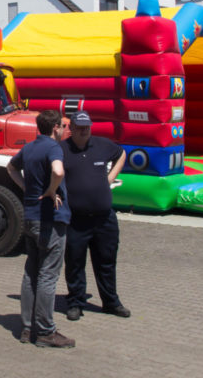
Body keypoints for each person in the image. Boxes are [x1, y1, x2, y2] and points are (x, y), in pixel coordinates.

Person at [6, 110, 75, 348]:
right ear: (55, 127)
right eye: (64, 126)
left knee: (31, 273)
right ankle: (46, 331)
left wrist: (27, 188)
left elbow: (10, 168)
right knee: (48, 275)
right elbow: (58, 171)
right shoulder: (54, 148)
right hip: (50, 220)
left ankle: (27, 328)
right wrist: (51, 190)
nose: (66, 129)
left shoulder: (30, 147)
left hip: (31, 218)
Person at [60, 110, 129, 321]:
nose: (83, 131)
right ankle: (75, 303)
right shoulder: (62, 149)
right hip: (76, 220)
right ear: (70, 128)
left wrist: (109, 178)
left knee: (106, 262)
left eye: (87, 127)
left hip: (104, 219)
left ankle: (111, 302)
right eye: (79, 127)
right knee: (75, 263)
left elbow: (121, 154)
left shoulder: (103, 145)